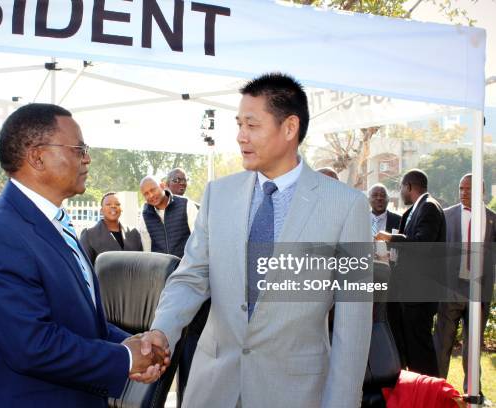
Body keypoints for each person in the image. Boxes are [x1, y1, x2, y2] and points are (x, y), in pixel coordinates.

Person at [141, 73, 373, 407]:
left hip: (294, 392)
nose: (240, 137)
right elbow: (192, 276)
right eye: (238, 124)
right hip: (213, 388)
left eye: (252, 125)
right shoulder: (218, 195)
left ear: (289, 128)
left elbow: (354, 322)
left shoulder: (346, 206)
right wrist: (161, 332)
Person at [0, 103, 168, 407]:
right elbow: (32, 345)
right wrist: (124, 358)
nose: (87, 158)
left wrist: (136, 345)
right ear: (37, 157)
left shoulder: (53, 223)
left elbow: (79, 322)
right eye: (78, 148)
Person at [375, 169, 446, 377]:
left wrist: (390, 238)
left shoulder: (429, 208)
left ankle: (429, 394)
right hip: (407, 292)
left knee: (421, 350)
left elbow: (422, 245)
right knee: (411, 349)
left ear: (409, 187)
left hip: (420, 293)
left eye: (401, 188)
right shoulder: (416, 209)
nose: (401, 192)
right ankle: (415, 392)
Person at [433, 174, 495, 395]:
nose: (463, 192)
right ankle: (438, 390)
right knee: (442, 344)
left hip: (479, 291)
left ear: (482, 192)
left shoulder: (492, 219)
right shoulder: (446, 216)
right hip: (450, 290)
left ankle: (473, 391)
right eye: (461, 188)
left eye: (469, 189)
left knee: (473, 345)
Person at [137, 175, 198, 258]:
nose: (151, 195)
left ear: (162, 186)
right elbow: (147, 249)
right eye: (146, 194)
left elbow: (198, 239)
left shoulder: (186, 204)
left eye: (153, 190)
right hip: (160, 269)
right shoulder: (145, 215)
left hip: (186, 267)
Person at [79, 191, 142, 264]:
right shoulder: (89, 234)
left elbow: (140, 262)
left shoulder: (133, 233)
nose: (113, 206)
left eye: (117, 204)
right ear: (101, 211)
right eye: (108, 204)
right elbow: (84, 266)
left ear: (121, 209)